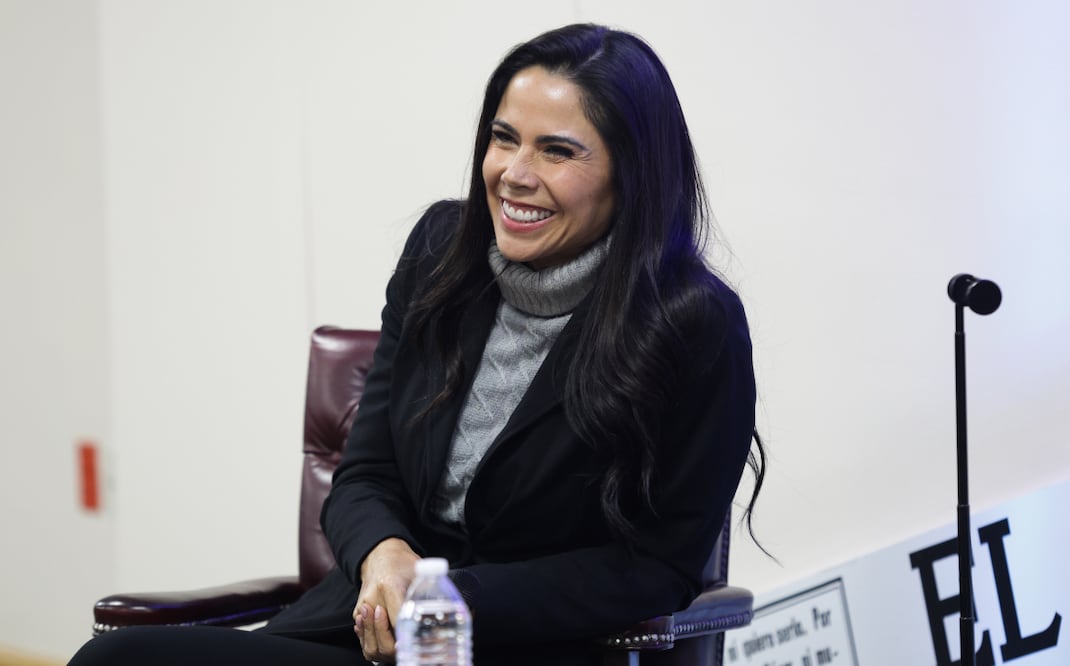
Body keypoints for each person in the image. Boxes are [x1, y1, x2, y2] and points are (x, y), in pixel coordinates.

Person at [70, 22, 764, 666]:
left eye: (557, 150)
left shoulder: (692, 323)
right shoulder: (441, 253)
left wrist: (445, 603)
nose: (514, 173)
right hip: (364, 632)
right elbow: (365, 473)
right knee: (116, 660)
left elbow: (655, 567)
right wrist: (384, 554)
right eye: (503, 137)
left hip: (523, 646)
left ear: (632, 174)